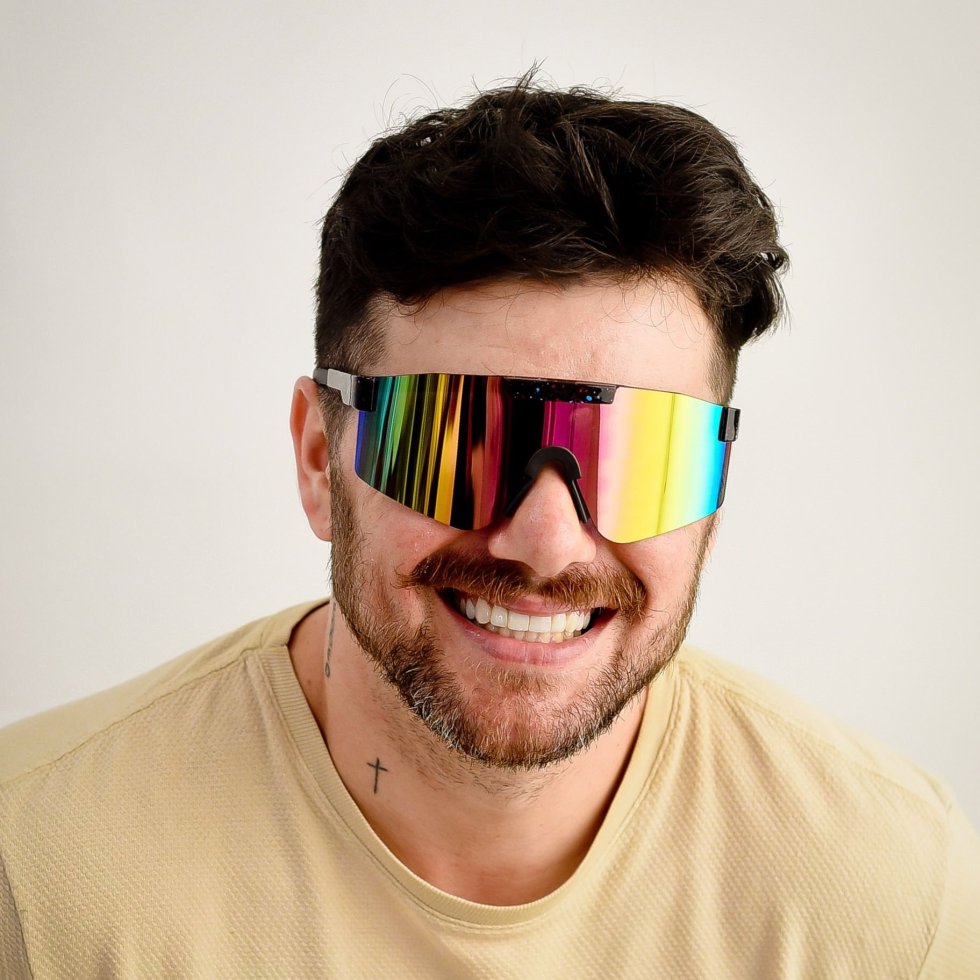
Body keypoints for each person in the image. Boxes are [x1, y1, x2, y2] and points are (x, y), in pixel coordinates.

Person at [1, 80, 977, 978]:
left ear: (714, 493)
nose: (544, 542)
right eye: (454, 438)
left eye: (639, 458)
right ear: (319, 456)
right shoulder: (37, 873)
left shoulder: (893, 896)